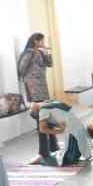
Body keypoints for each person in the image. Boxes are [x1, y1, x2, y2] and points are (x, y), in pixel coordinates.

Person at [17, 33, 59, 165]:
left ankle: (51, 147)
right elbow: (21, 69)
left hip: (43, 87)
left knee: (45, 115)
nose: (43, 42)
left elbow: (50, 64)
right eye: (41, 40)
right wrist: (31, 79)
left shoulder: (40, 52)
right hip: (34, 88)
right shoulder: (28, 53)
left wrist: (47, 52)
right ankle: (45, 151)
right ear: (35, 41)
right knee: (41, 116)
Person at [36, 100, 92, 166]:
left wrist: (59, 131)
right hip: (80, 131)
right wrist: (59, 128)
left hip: (72, 133)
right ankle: (52, 150)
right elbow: (63, 120)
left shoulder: (43, 110)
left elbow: (42, 129)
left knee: (67, 160)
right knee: (77, 152)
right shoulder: (56, 103)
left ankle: (43, 159)